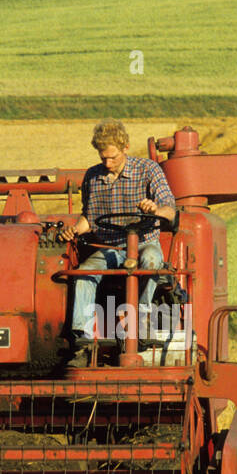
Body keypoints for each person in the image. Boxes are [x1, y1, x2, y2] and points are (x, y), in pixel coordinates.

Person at [59, 120, 176, 367]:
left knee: (152, 260)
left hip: (144, 241)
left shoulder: (149, 170)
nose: (107, 163)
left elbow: (170, 209)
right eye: (103, 158)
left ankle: (141, 321)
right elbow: (89, 219)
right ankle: (83, 339)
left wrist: (155, 209)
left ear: (125, 147)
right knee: (83, 275)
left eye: (112, 157)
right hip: (110, 248)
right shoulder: (93, 176)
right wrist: (74, 230)